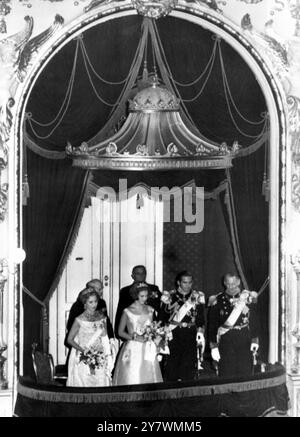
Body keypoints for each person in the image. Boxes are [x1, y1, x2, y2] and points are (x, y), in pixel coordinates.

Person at [207, 272, 259, 378]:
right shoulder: (217, 300)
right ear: (224, 283)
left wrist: (255, 340)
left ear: (239, 282)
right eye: (229, 283)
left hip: (244, 339)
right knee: (227, 373)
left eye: (234, 283)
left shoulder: (247, 299)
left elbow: (254, 321)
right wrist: (213, 347)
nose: (231, 286)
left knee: (245, 373)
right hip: (226, 341)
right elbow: (212, 325)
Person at [112, 282, 163, 386]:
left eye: (146, 296)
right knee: (132, 374)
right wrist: (134, 337)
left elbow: (153, 327)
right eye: (142, 296)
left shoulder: (150, 309)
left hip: (147, 347)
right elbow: (120, 332)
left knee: (149, 373)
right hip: (133, 347)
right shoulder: (128, 311)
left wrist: (156, 339)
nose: (144, 299)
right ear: (136, 295)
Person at [159, 271, 206, 381]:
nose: (188, 285)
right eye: (185, 282)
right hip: (173, 334)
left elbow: (200, 318)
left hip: (190, 334)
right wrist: (160, 339)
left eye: (190, 282)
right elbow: (162, 317)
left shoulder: (197, 296)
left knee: (189, 367)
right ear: (178, 282)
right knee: (172, 367)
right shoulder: (169, 296)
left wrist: (200, 332)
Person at [66, 289, 115, 387]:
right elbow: (69, 340)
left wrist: (107, 354)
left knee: (100, 381)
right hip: (84, 356)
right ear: (85, 303)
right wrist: (83, 350)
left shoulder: (101, 317)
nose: (94, 305)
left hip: (99, 355)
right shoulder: (79, 319)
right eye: (90, 302)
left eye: (96, 301)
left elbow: (105, 336)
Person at [65, 279, 114, 368]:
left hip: (98, 346)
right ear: (91, 289)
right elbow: (71, 326)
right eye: (99, 289)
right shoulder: (78, 306)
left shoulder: (102, 303)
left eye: (102, 289)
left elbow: (106, 322)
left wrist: (111, 338)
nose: (101, 291)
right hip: (82, 344)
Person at [114, 265, 161, 339]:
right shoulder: (125, 291)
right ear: (132, 276)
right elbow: (120, 311)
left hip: (149, 327)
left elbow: (159, 308)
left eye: (143, 273)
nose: (141, 276)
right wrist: (118, 332)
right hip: (132, 329)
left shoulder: (153, 288)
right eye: (138, 273)